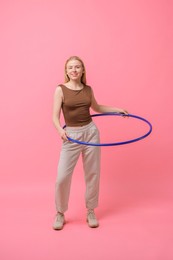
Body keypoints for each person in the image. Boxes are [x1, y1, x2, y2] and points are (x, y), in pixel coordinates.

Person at [52, 56, 128, 230]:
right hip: (70, 135)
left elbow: (98, 108)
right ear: (66, 71)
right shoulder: (60, 89)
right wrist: (60, 130)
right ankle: (60, 212)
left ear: (82, 70)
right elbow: (54, 116)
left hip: (91, 133)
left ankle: (91, 210)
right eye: (70, 67)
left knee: (92, 173)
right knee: (62, 177)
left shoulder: (88, 89)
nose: (74, 70)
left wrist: (118, 110)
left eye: (77, 67)